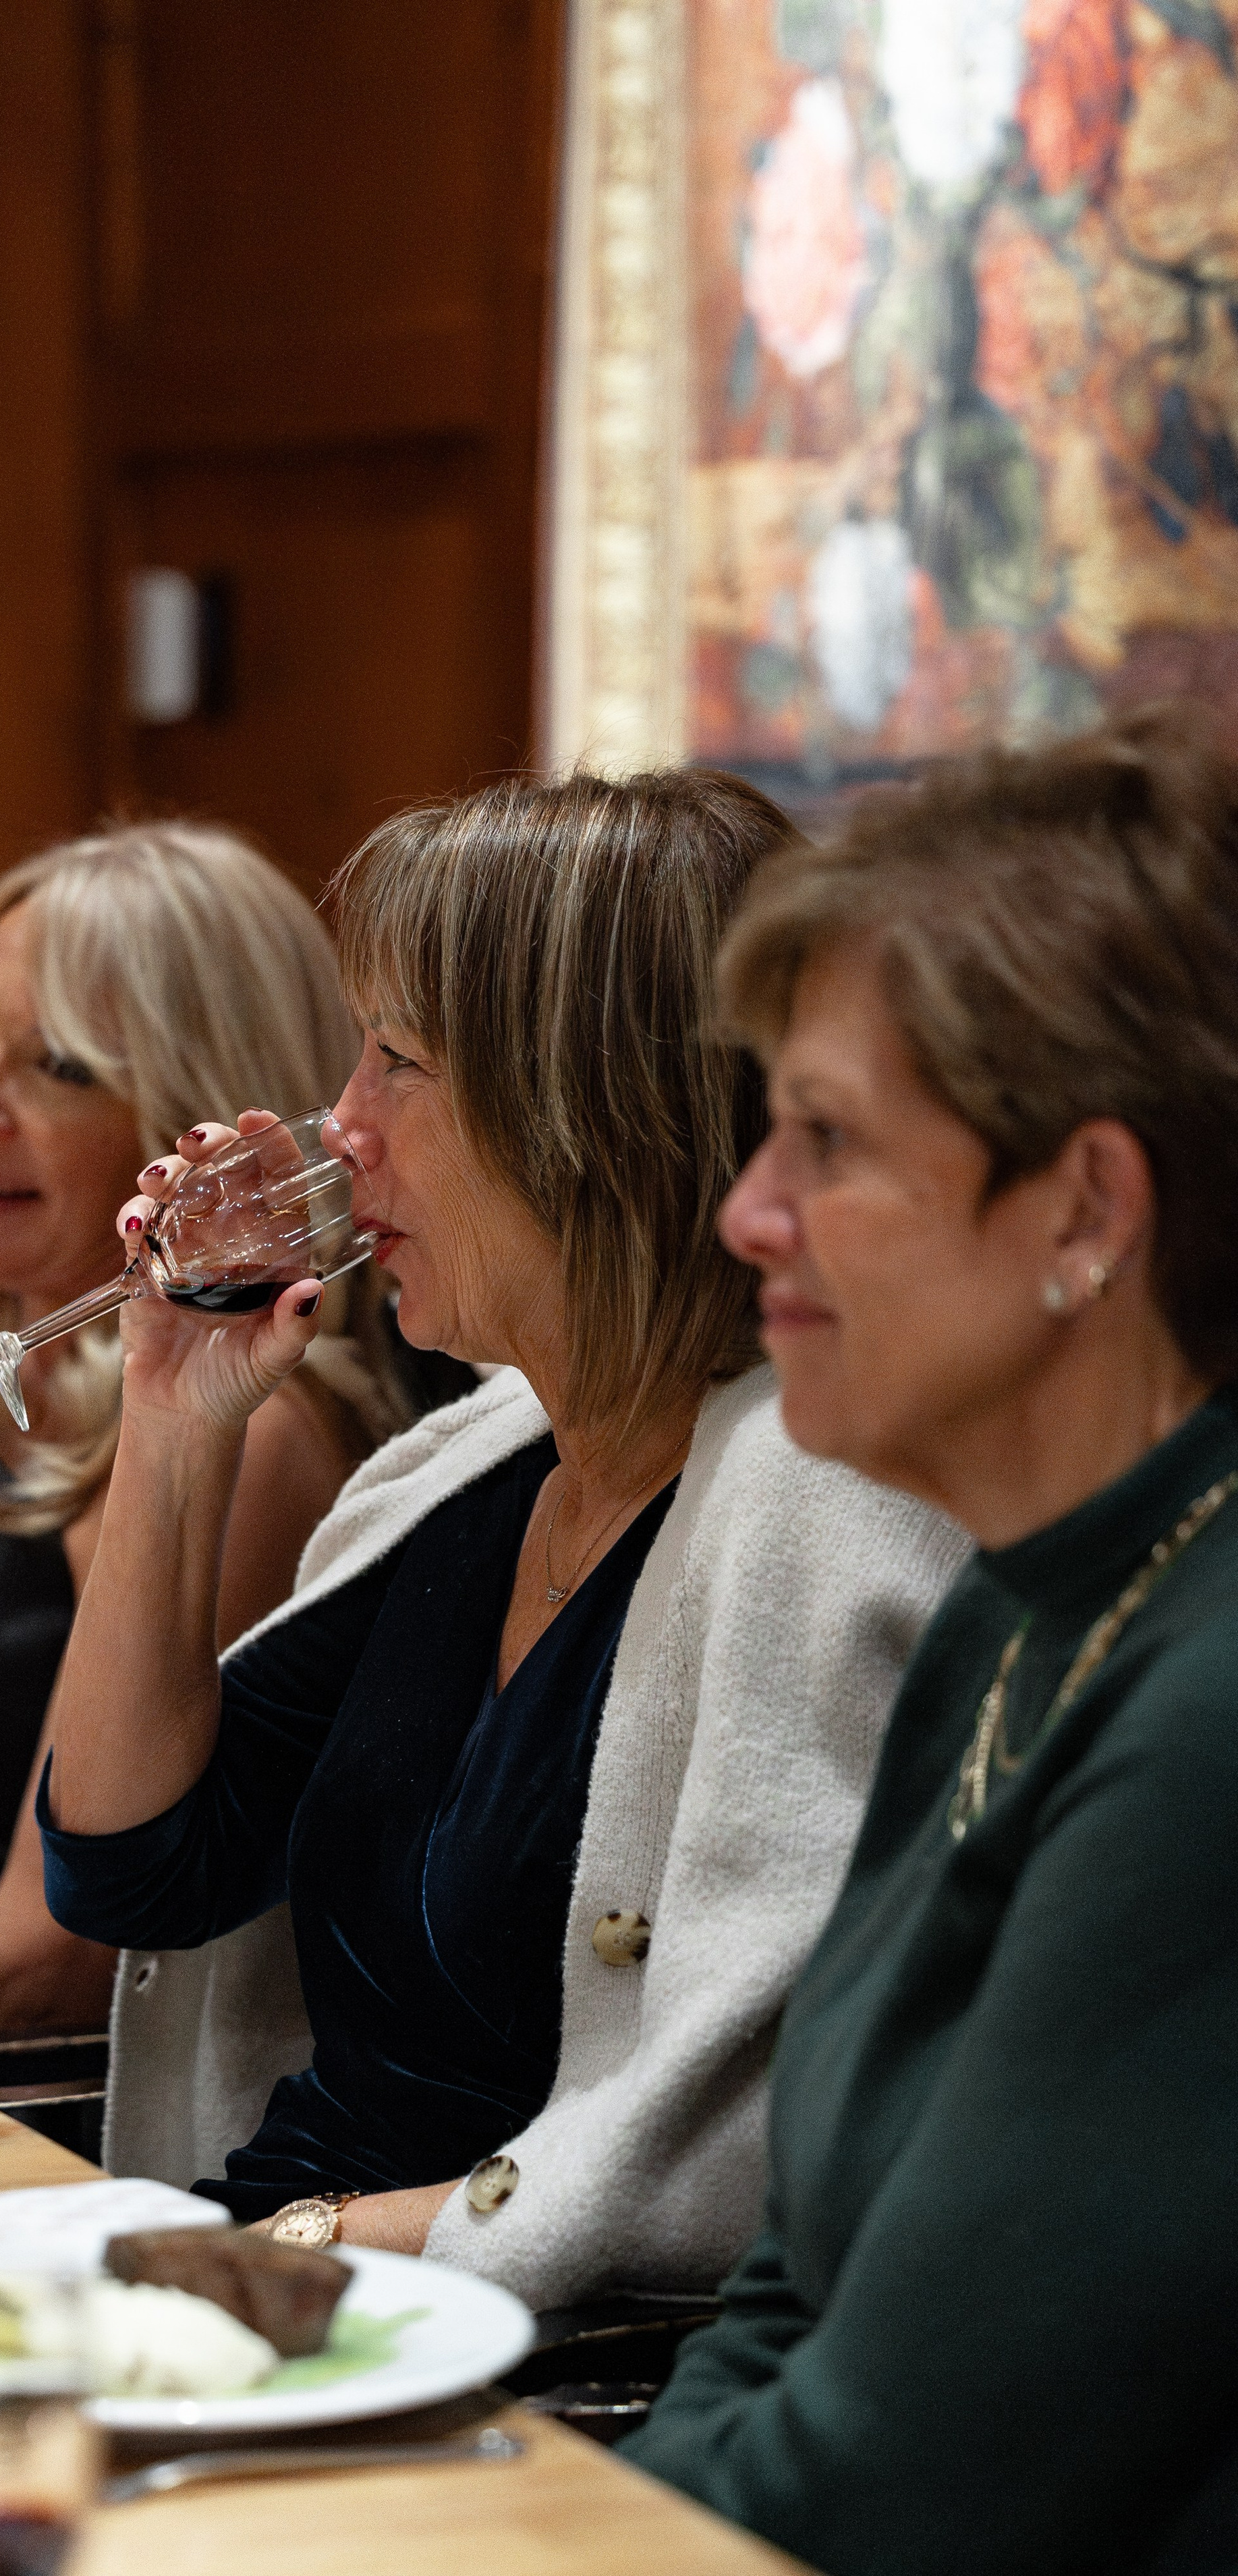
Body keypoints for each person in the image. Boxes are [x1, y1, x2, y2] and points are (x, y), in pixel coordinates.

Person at [38, 771, 966, 2301]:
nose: (337, 1125)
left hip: (521, 2358)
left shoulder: (817, 1512)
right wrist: (174, 1420)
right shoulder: (470, 1463)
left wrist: (276, 2251)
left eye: (396, 1057)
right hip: (277, 2286)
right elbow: (135, 1871)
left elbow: (718, 2163)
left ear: (588, 1111)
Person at [624, 710, 1238, 2575]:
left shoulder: (1209, 1703)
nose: (749, 1212)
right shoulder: (1015, 1598)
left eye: (826, 1141)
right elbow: (791, 2282)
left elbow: (906, 2479)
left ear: (1086, 1209)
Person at [0, 825, 411, 2035]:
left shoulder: (240, 1432)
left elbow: (50, 1960)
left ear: (188, 1122)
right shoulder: (2, 1371)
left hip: (14, 2098)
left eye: (62, 1068)